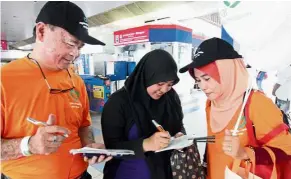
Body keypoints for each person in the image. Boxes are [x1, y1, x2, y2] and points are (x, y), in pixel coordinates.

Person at [1, 2, 111, 179]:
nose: (75, 54)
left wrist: (89, 145)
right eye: (70, 43)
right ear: (42, 31)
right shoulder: (4, 80)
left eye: (80, 47)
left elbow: (83, 124)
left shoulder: (76, 80)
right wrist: (29, 145)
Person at [179, 37, 291, 179]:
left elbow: (287, 152)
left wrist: (244, 153)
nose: (202, 87)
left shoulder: (257, 103)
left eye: (207, 79)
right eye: (198, 80)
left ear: (227, 72)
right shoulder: (211, 104)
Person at [101, 49, 185, 179]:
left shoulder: (171, 98)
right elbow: (111, 148)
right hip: (127, 174)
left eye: (169, 84)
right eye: (160, 83)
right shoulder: (118, 103)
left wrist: (179, 136)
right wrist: (145, 144)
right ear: (146, 76)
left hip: (165, 172)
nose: (163, 90)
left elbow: (178, 125)